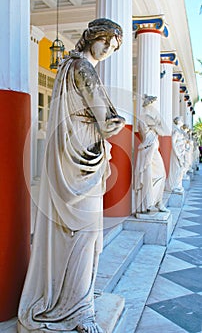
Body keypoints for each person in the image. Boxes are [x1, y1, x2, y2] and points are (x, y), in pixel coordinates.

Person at [18, 18, 125, 333]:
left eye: (114, 47)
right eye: (105, 41)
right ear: (92, 36)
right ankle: (79, 311)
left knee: (75, 234)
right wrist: (112, 123)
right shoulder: (84, 69)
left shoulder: (68, 66)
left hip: (75, 152)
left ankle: (73, 299)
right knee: (86, 234)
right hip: (80, 157)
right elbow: (107, 121)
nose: (107, 50)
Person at [134, 95, 168, 214]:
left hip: (149, 148)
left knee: (155, 176)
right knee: (155, 176)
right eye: (154, 103)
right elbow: (164, 131)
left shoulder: (143, 117)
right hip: (150, 149)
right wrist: (158, 117)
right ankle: (150, 203)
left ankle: (155, 202)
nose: (155, 105)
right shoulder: (147, 117)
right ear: (150, 104)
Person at [167, 116, 185, 193]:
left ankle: (178, 185)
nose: (182, 121)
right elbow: (173, 143)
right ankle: (175, 185)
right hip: (177, 153)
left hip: (181, 152)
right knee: (177, 168)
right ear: (178, 121)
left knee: (181, 169)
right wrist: (177, 153)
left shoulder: (179, 130)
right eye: (181, 120)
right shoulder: (176, 131)